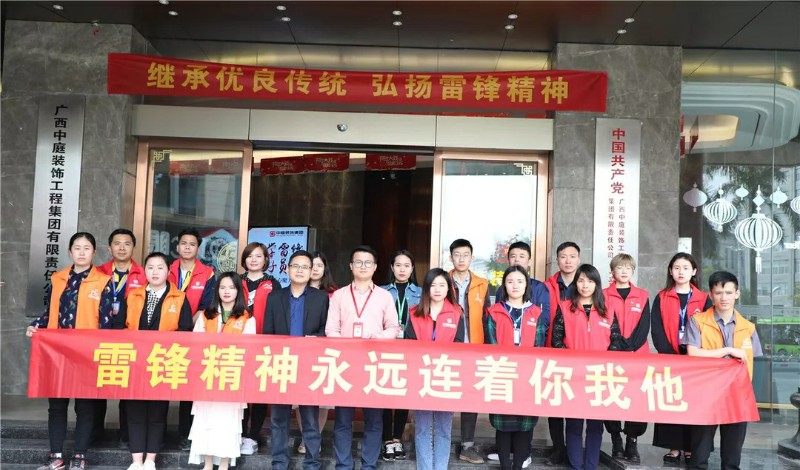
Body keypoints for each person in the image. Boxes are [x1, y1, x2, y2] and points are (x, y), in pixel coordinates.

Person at [27, 232, 115, 470]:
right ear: (70, 252)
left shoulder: (103, 281)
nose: (82, 252)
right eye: (77, 248)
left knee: (84, 407)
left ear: (94, 252)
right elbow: (50, 312)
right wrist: (36, 326)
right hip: (58, 353)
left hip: (86, 354)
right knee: (56, 406)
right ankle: (55, 456)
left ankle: (79, 456)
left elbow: (106, 322)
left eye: (87, 248)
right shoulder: (58, 278)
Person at [112, 252, 194, 470]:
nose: (155, 272)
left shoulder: (179, 298)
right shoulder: (133, 296)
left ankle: (150, 460)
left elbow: (186, 331)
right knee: (134, 412)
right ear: (144, 271)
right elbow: (118, 327)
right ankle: (136, 461)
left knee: (157, 413)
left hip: (163, 363)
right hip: (135, 363)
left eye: (160, 267)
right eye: (150, 267)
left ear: (168, 271)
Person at [325, 245, 400, 470]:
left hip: (373, 364)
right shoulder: (339, 295)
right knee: (343, 420)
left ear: (375, 267)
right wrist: (345, 345)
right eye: (358, 262)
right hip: (345, 365)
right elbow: (331, 329)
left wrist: (378, 338)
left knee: (374, 420)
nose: (363, 266)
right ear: (351, 266)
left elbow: (393, 328)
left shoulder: (384, 296)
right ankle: (343, 465)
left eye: (368, 263)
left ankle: (369, 465)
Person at [685, 271, 762, 470]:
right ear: (711, 295)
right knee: (700, 453)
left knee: (732, 456)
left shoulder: (748, 327)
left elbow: (752, 361)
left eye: (728, 292)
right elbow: (693, 353)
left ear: (737, 294)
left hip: (738, 394)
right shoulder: (698, 321)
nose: (724, 298)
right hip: (707, 393)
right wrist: (728, 350)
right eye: (718, 293)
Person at [551, 264, 624, 470]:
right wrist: (571, 362)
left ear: (597, 284)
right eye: (581, 280)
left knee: (595, 426)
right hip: (573, 375)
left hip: (598, 376)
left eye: (590, 281)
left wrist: (606, 363)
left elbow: (616, 341)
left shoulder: (607, 309)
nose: (585, 285)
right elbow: (556, 340)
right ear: (575, 283)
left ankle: (591, 466)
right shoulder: (565, 307)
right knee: (574, 425)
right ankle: (576, 465)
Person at [264, 250, 329, 470]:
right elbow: (268, 333)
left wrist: (315, 339)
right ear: (287, 269)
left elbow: (325, 330)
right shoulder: (275, 297)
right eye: (296, 266)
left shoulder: (321, 298)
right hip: (281, 364)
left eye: (305, 267)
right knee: (279, 419)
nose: (300, 270)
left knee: (310, 418)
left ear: (312, 272)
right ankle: (279, 463)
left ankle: (312, 463)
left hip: (309, 364)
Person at [488, 240, 551, 467]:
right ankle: (506, 465)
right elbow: (491, 343)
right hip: (502, 373)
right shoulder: (495, 311)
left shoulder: (535, 312)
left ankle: (519, 465)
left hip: (528, 375)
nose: (515, 285)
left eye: (520, 281)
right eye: (510, 281)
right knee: (503, 424)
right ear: (504, 285)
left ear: (527, 285)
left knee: (525, 423)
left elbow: (539, 344)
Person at [188, 272, 256, 470]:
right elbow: (196, 345)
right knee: (206, 420)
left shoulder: (247, 318)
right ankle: (208, 464)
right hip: (208, 375)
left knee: (228, 422)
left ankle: (224, 464)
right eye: (223, 287)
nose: (227, 291)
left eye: (231, 288)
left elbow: (249, 349)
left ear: (238, 291)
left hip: (232, 376)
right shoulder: (206, 315)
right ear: (217, 290)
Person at [650, 253, 712, 465]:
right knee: (671, 401)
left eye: (686, 268)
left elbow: (709, 330)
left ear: (694, 271)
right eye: (676, 268)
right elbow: (657, 329)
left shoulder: (703, 299)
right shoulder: (662, 297)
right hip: (670, 360)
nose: (681, 272)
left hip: (695, 361)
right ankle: (673, 448)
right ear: (670, 271)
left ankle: (691, 448)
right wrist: (669, 355)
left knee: (692, 403)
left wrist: (694, 353)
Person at [404, 268, 465, 470]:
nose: (437, 289)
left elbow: (458, 345)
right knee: (422, 428)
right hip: (421, 377)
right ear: (426, 288)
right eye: (433, 285)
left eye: (442, 285)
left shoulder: (457, 313)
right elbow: (409, 345)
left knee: (443, 429)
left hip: (446, 376)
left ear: (448, 288)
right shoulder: (414, 312)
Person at [95, 228, 147, 448]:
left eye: (127, 243)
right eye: (117, 243)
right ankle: (95, 433)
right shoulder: (97, 272)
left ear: (134, 247)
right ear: (110, 248)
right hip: (101, 335)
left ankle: (126, 435)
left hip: (130, 338)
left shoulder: (143, 274)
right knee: (97, 385)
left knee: (129, 386)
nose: (122, 248)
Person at [168, 228, 216, 450]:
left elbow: (207, 304)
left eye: (192, 244)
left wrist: (188, 322)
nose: (187, 247)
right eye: (184, 243)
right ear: (177, 246)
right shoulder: (166, 269)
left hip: (194, 334)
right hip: (167, 333)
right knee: (161, 380)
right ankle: (158, 434)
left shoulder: (208, 273)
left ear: (198, 248)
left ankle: (185, 435)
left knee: (189, 385)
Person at [602, 254, 650, 463]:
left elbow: (644, 326)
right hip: (611, 354)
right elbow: (603, 322)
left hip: (637, 355)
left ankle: (632, 440)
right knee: (611, 396)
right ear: (612, 271)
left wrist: (630, 346)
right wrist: (617, 345)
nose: (624, 271)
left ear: (633, 271)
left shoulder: (642, 295)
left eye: (628, 268)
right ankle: (616, 439)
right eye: (619, 268)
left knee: (636, 399)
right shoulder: (603, 295)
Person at [448, 238, 490, 465]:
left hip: (474, 348)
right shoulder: (443, 281)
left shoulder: (482, 284)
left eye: (465, 255)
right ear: (451, 257)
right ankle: (441, 440)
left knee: (470, 397)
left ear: (472, 258)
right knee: (444, 390)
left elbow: (486, 317)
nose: (461, 259)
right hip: (448, 348)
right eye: (457, 255)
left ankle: (467, 445)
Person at [238, 242, 282, 456]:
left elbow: (279, 314)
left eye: (258, 256)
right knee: (241, 390)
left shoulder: (273, 283)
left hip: (265, 344)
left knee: (260, 390)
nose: (254, 260)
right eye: (250, 256)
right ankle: (238, 433)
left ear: (265, 259)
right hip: (239, 343)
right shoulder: (235, 281)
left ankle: (253, 436)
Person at [294, 250, 337, 455]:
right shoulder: (295, 291)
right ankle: (305, 438)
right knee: (300, 398)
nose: (315, 269)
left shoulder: (333, 294)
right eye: (312, 265)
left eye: (320, 265)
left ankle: (315, 438)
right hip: (299, 352)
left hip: (323, 352)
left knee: (321, 400)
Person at [380, 249, 421, 460]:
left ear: (412, 268)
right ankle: (387, 439)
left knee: (404, 393)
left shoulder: (421, 293)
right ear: (392, 267)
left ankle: (397, 438)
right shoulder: (381, 291)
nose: (402, 269)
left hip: (410, 348)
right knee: (386, 392)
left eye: (406, 265)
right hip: (386, 346)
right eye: (398, 265)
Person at [543, 241, 580, 466]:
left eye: (572, 256)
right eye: (563, 256)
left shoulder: (586, 283)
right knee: (554, 401)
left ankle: (574, 449)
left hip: (578, 351)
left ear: (578, 259)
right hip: (552, 349)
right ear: (557, 260)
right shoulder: (547, 286)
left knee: (575, 401)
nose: (568, 260)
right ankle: (558, 448)